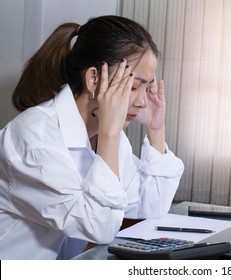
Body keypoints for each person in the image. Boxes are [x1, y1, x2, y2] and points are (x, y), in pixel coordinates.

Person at [0, 15, 184, 259]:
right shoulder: (34, 140)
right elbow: (100, 228)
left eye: (146, 88)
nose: (141, 102)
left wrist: (156, 129)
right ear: (94, 79)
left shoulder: (107, 135)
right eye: (132, 86)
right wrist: (109, 134)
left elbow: (151, 205)